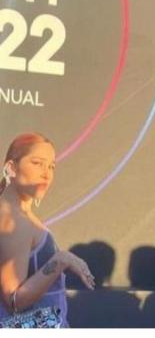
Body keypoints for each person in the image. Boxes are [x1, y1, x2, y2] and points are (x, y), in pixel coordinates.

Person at [0, 133, 95, 327]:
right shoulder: (13, 220)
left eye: (52, 166)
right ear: (11, 168)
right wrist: (61, 260)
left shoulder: (20, 215)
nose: (47, 173)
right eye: (37, 163)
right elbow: (13, 302)